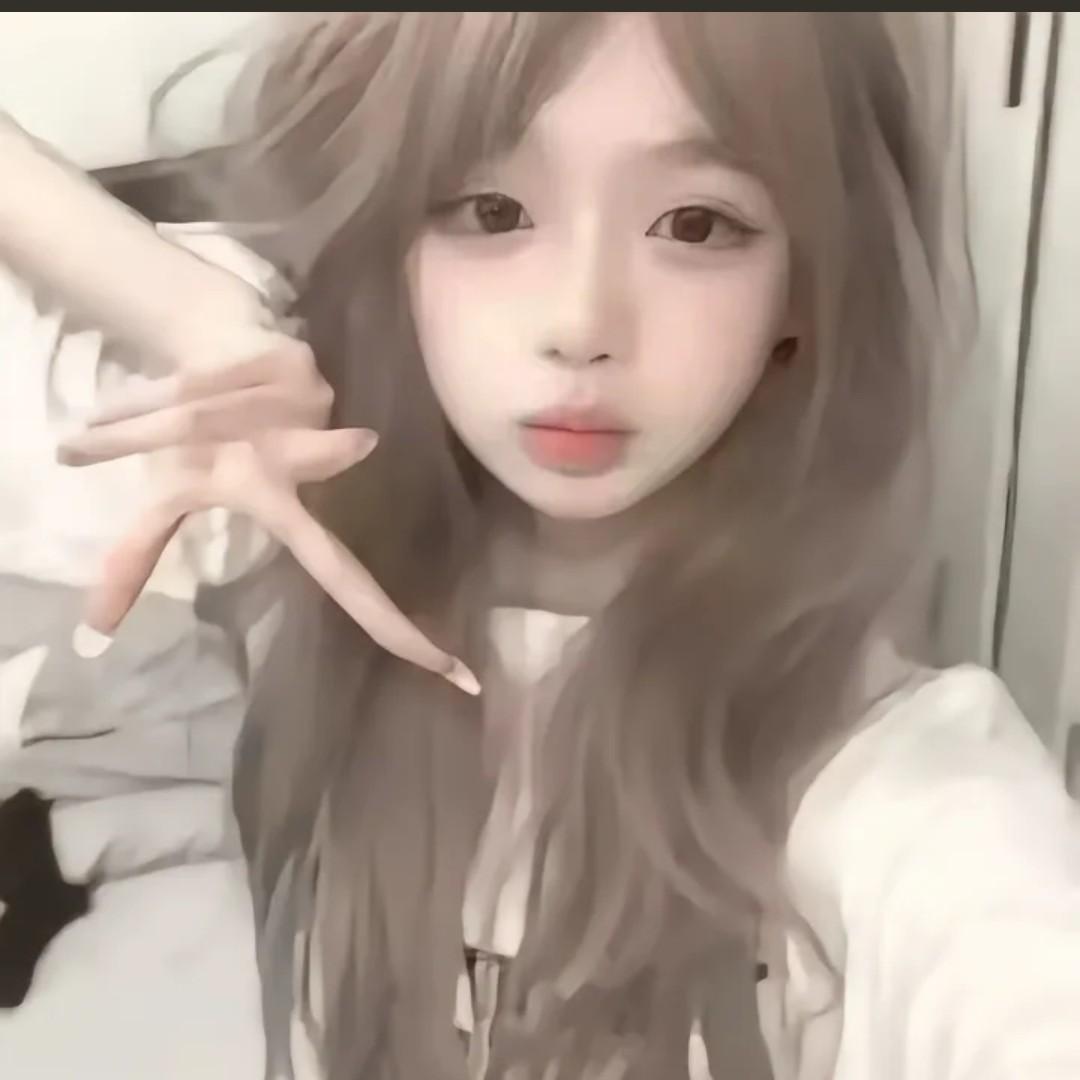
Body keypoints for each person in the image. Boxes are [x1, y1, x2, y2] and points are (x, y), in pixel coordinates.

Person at [2, 12, 1079, 1080]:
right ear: (396, 242)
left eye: (696, 224)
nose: (580, 323)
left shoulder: (898, 786)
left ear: (805, 285)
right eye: (493, 209)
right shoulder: (282, 541)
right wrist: (198, 316)